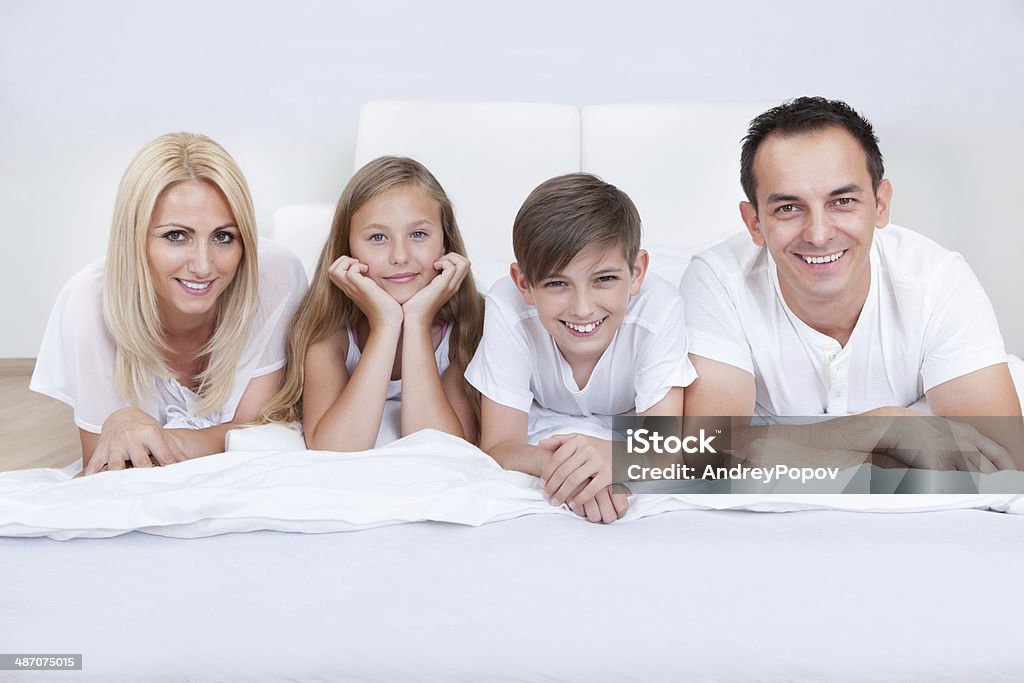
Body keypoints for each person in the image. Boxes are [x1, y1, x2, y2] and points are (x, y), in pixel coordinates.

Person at [680, 96, 1021, 469]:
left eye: (842, 201)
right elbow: (704, 454)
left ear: (881, 204)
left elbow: (1004, 464)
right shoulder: (718, 280)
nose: (819, 234)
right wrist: (883, 428)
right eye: (788, 208)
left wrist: (797, 450)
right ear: (754, 223)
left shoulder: (937, 280)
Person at [31, 132, 307, 475]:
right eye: (176, 236)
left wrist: (167, 440)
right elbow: (107, 468)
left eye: (224, 237)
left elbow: (259, 432)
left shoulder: (274, 276)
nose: (204, 265)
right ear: (134, 238)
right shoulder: (88, 302)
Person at [466, 173, 697, 523]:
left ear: (637, 273)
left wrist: (615, 458)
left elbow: (663, 448)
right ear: (523, 284)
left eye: (604, 279)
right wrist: (572, 472)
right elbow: (499, 445)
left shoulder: (660, 308)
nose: (583, 308)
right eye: (557, 283)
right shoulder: (507, 305)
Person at [259, 156, 483, 450]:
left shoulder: (470, 326)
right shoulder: (329, 333)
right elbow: (334, 449)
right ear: (347, 247)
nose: (400, 256)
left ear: (445, 242)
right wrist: (386, 323)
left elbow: (441, 448)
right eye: (378, 237)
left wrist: (417, 320)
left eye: (418, 234)